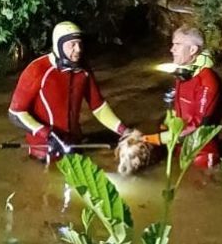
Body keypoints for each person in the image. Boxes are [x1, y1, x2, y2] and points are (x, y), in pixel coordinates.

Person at [8, 21, 130, 161]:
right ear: (59, 47)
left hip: (74, 144)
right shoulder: (37, 70)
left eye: (80, 44)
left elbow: (98, 107)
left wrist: (124, 131)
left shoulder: (83, 70)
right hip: (45, 148)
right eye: (72, 45)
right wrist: (47, 134)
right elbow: (15, 114)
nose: (78, 49)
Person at [143, 26, 222, 168]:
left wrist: (157, 139)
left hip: (202, 156)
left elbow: (199, 127)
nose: (171, 49)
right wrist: (164, 126)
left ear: (192, 50)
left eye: (177, 45)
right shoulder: (183, 75)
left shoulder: (208, 82)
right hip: (180, 149)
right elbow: (178, 112)